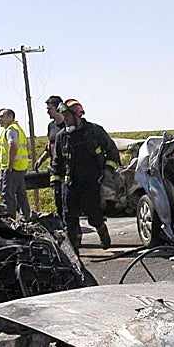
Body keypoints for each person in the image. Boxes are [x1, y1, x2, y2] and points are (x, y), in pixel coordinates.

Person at [50, 98, 119, 251]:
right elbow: (57, 161)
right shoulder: (62, 136)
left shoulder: (94, 131)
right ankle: (73, 250)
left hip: (91, 182)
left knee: (93, 215)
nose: (65, 121)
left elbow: (112, 151)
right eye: (64, 117)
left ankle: (101, 229)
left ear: (77, 115)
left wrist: (108, 170)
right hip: (70, 183)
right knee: (69, 219)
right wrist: (56, 182)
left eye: (67, 117)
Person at [0, 107, 32, 220]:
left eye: (2, 116)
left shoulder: (11, 130)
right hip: (20, 167)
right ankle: (26, 217)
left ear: (10, 117)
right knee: (21, 194)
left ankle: (10, 221)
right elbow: (28, 146)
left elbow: (13, 146)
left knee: (8, 196)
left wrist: (9, 166)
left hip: (12, 168)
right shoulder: (17, 129)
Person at [36, 95, 64, 212]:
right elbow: (50, 146)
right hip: (55, 167)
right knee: (58, 198)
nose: (47, 112)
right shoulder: (51, 126)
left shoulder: (68, 124)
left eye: (49, 109)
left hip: (68, 167)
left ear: (58, 108)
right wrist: (41, 160)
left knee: (68, 199)